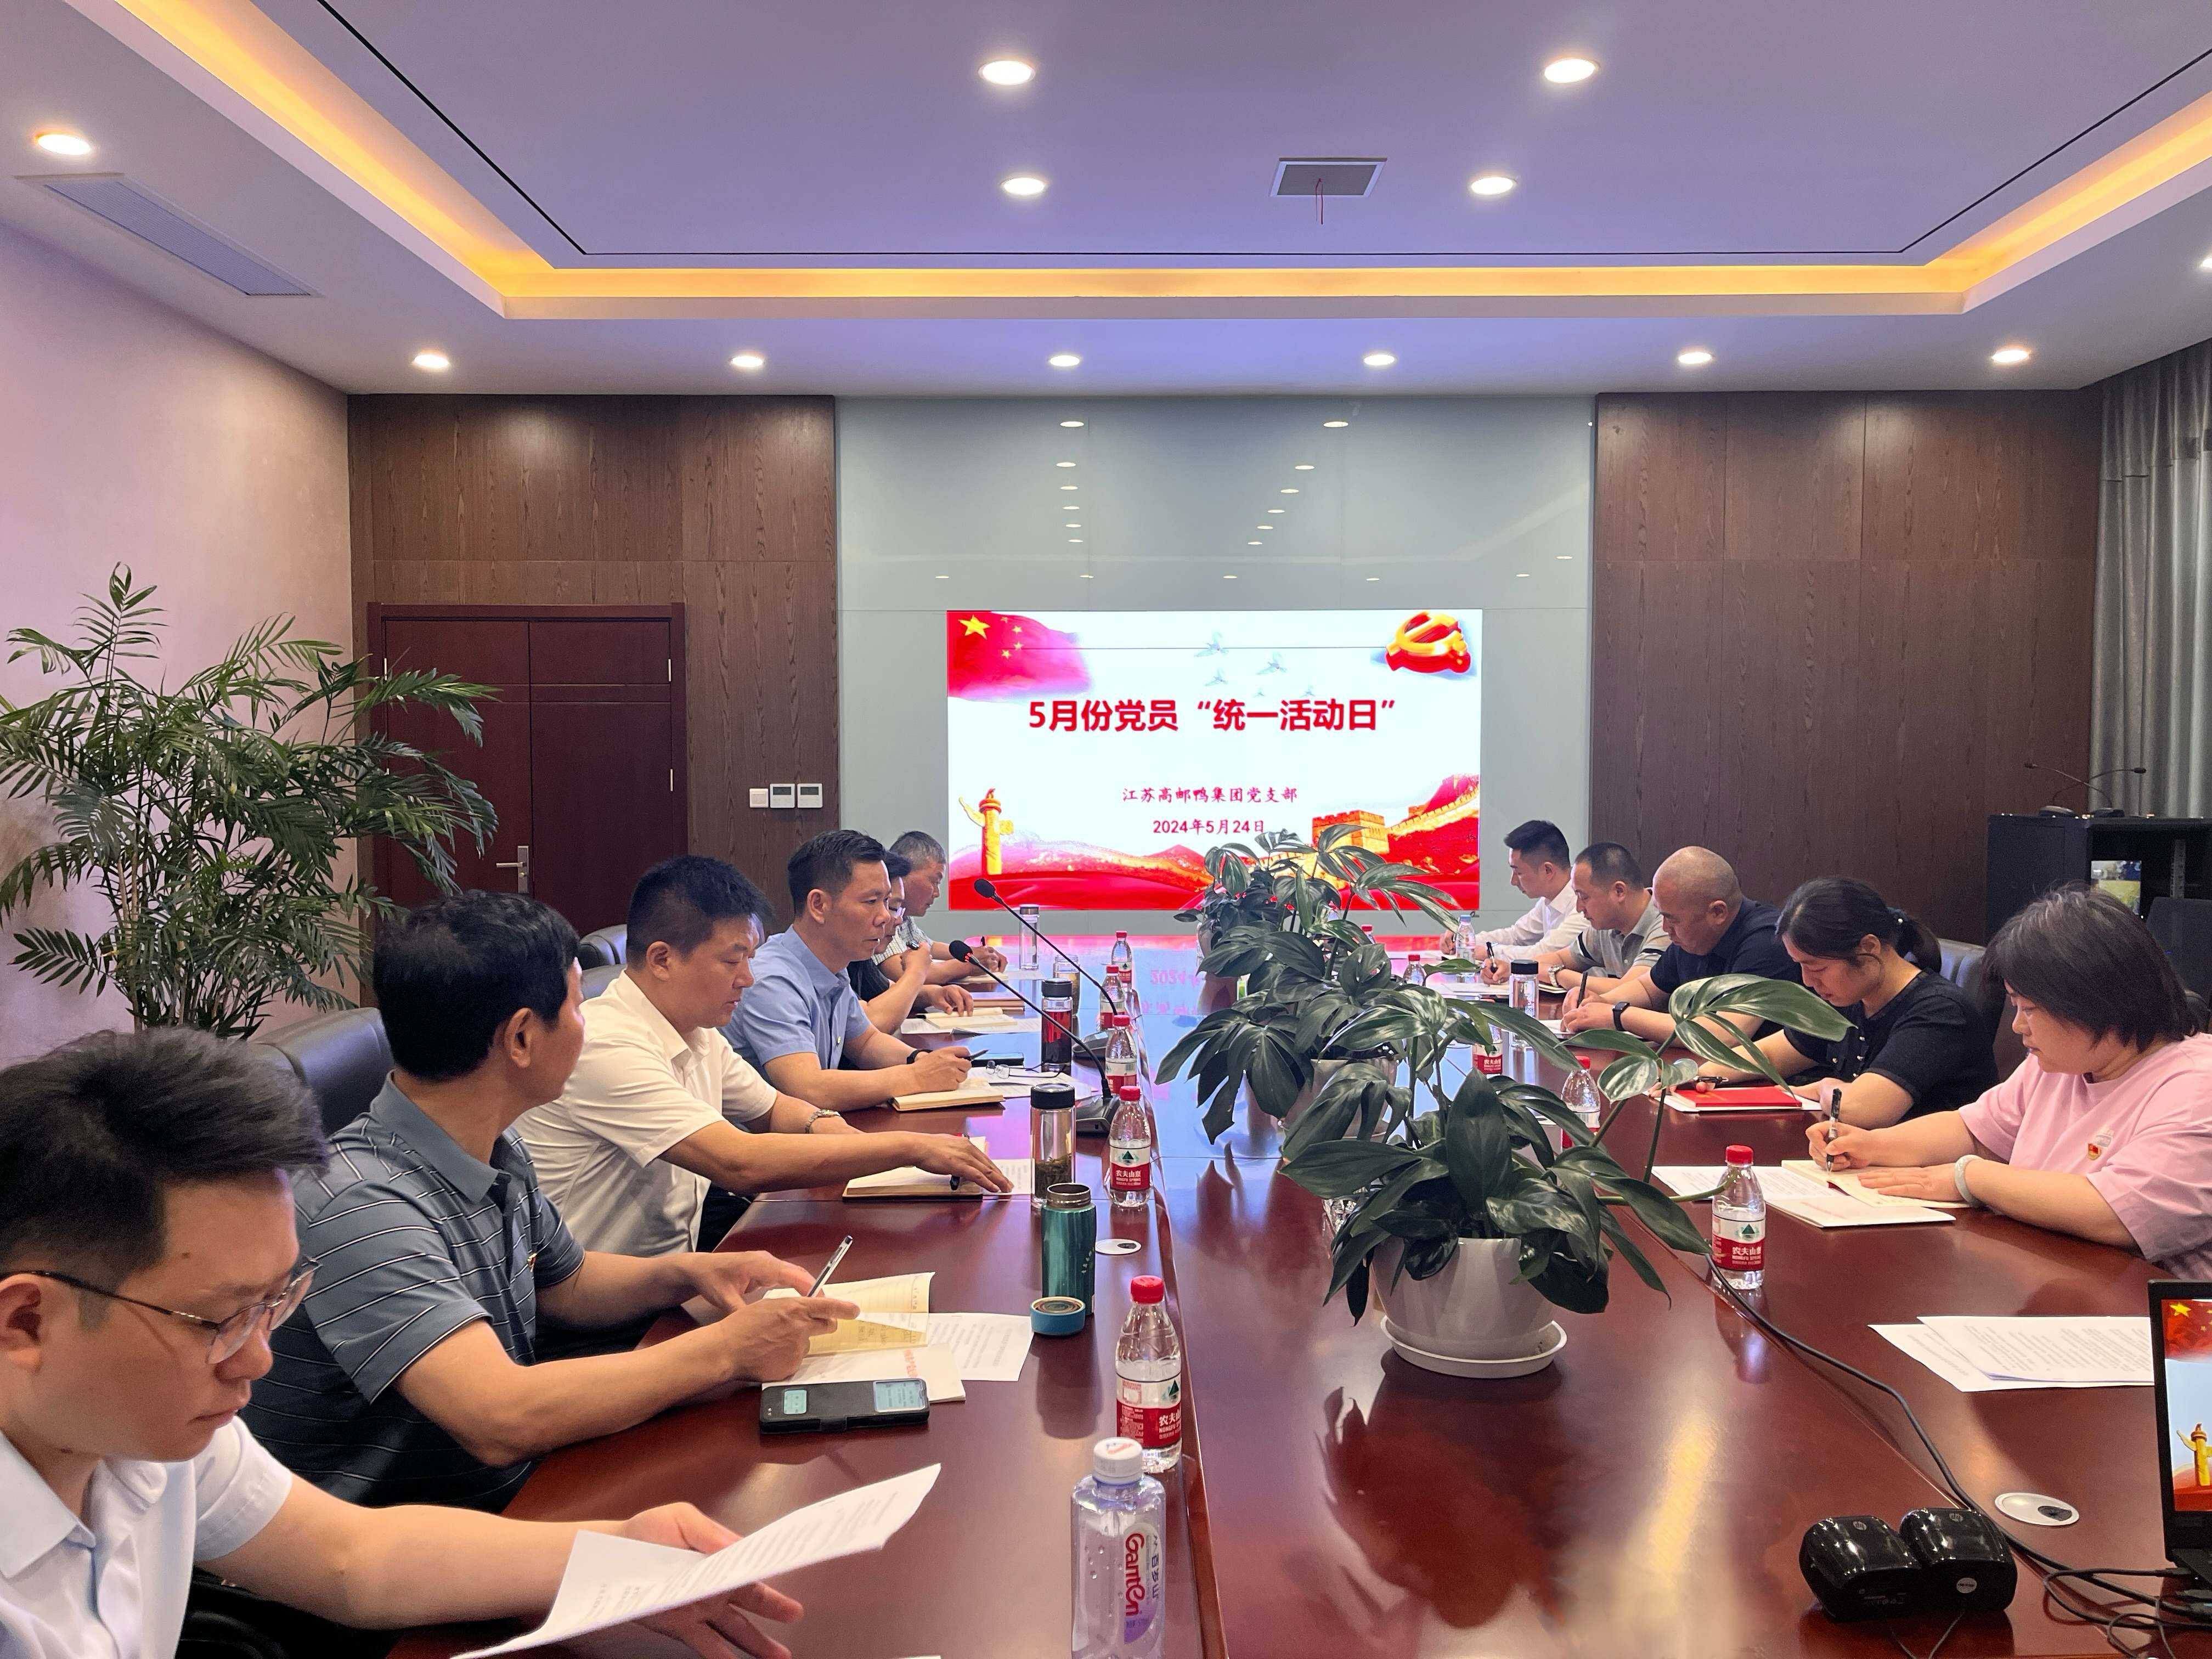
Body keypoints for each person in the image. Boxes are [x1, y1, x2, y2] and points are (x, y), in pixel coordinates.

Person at [0, 1027, 810, 1659]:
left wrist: (624, 1553)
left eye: (274, 1302)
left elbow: (354, 1557)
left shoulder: (145, 1431)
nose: (257, 1359)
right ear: (25, 1322)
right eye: (219, 1322)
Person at [245, 890, 860, 1514]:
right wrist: (727, 1350)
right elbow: (499, 1417)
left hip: (508, 1488)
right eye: (576, 1007)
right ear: (520, 1038)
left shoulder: (492, 1143)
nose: (586, 1026)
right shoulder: (363, 1205)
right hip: (418, 1528)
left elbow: (566, 1283)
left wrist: (690, 1273)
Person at [522, 855, 1009, 1261]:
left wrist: (833, 1130)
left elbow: (776, 1110)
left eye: (750, 959)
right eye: (732, 961)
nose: (748, 979)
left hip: (676, 1268)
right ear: (662, 960)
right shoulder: (609, 1044)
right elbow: (739, 1163)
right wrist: (910, 1149)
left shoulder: (695, 1028)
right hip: (605, 1306)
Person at [1810, 886, 2212, 1272]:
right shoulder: (2063, 1062)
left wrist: (1971, 1177)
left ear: (2096, 1002)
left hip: (2151, 1306)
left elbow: (2117, 1214)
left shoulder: (2196, 1086)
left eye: (2030, 1009)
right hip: (2051, 1273)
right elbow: (1975, 1131)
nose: (2018, 1025)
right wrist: (1870, 1145)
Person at [728, 830, 996, 1113]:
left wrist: (921, 1059)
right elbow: (808, 1088)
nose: (885, 917)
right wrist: (917, 1076)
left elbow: (866, 1042)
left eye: (887, 902)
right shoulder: (773, 979)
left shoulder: (832, 966)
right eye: (871, 902)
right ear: (819, 905)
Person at [1695, 877, 1995, 1126]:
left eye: (1817, 968)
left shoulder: (1940, 1011)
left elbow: (1861, 1109)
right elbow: (1770, 1056)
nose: (1807, 981)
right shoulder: (1850, 997)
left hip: (1925, 1171)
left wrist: (1823, 1087)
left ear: (1868, 947)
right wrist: (1695, 1077)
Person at [1560, 847, 1801, 1045]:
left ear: (1717, 912)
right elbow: (1648, 989)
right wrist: (1599, 1002)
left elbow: (1724, 1035)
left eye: (1672, 919)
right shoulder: (1692, 937)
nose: (1665, 928)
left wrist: (1618, 1016)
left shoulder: (1766, 941)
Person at [1486, 842, 1668, 995]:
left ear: (1619, 892)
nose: (1579, 908)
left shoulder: (1666, 924)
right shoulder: (1607, 926)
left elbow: (1631, 989)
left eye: (1584, 897)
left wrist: (1556, 974)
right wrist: (1513, 969)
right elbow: (1561, 958)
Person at [877, 828, 1006, 984]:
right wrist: (971, 965)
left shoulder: (904, 915)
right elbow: (903, 974)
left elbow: (928, 946)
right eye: (934, 881)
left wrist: (974, 953)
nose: (937, 893)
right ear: (903, 874)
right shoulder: (884, 916)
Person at [853, 850, 950, 1032]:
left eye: (890, 906)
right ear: (820, 905)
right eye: (893, 907)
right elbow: (872, 1023)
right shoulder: (815, 965)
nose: (894, 919)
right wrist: (917, 972)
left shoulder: (855, 957)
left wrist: (933, 994)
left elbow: (886, 992)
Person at [1463, 819, 1586, 961]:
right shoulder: (1549, 899)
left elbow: (1544, 954)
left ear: (1548, 870)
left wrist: (1490, 952)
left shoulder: (1583, 907)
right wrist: (1465, 939)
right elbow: (1516, 936)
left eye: (1519, 873)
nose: (1513, 881)